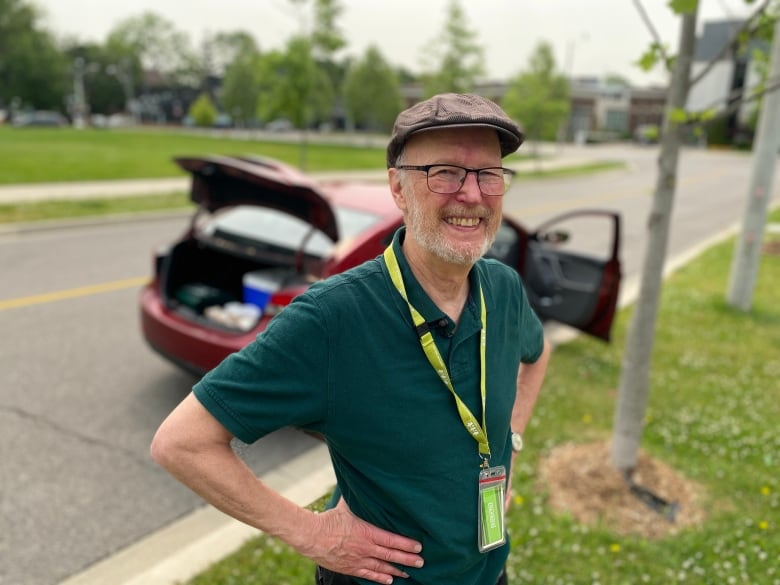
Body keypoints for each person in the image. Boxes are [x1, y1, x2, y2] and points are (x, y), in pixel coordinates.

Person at [151, 93, 551, 585]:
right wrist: (313, 535)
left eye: (488, 174)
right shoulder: (332, 318)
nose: (472, 194)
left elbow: (537, 353)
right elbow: (183, 443)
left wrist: (509, 440)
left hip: (490, 572)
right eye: (445, 172)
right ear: (399, 189)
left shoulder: (503, 289)